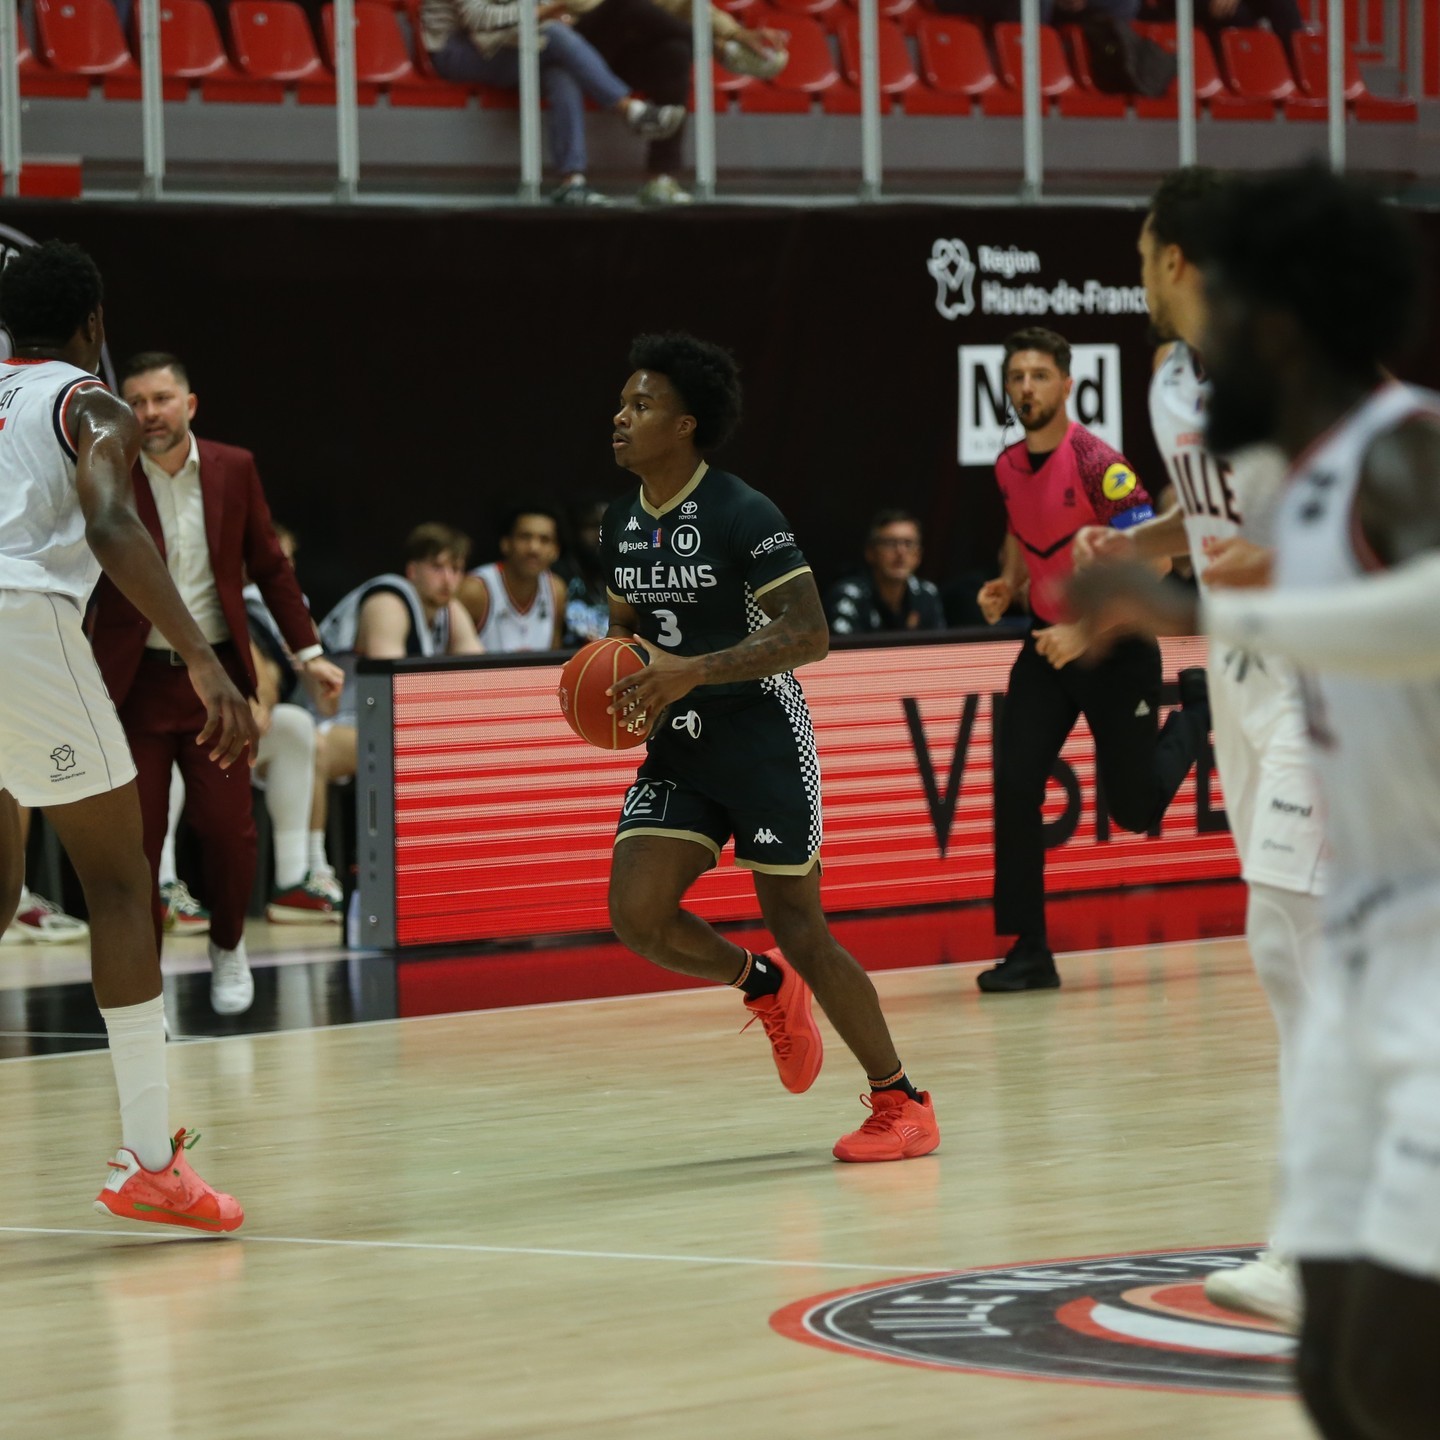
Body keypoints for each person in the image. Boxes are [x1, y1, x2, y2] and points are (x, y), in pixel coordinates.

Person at [1067, 164, 1440, 1440]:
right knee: (1336, 1378)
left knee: (1285, 918)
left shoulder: (1395, 442)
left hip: (1406, 902)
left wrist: (1228, 601)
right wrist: (1155, 567)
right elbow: (1243, 535)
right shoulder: (1227, 409)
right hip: (1301, 754)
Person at [1071, 167, 1324, 1332]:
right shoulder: (1175, 381)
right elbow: (1211, 507)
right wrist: (1141, 547)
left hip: (1331, 682)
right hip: (1241, 682)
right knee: (1293, 946)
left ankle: (1323, 1245)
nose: (1136, 278)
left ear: (1176, 260)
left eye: (1140, 256)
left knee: (1294, 941)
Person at [602, 332, 940, 1162]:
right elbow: (626, 631)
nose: (621, 416)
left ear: (685, 425)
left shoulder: (743, 513)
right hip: (680, 742)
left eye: (642, 405)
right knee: (637, 915)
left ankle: (903, 1102)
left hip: (761, 735)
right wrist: (618, 681)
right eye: (623, 402)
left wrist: (693, 670)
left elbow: (810, 633)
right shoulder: (619, 520)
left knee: (800, 925)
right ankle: (763, 985)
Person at [0, 239, 253, 1230]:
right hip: (22, 625)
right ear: (94, 324)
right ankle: (150, 1162)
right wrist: (201, 656)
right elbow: (111, 524)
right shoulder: (89, 403)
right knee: (117, 883)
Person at [94, 352, 344, 1016]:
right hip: (134, 684)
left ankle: (229, 946)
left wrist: (309, 653)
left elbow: (271, 566)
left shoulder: (234, 467)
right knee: (139, 842)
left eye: (161, 399)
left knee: (228, 831)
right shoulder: (108, 471)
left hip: (220, 687)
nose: (149, 413)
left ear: (190, 404)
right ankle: (143, 983)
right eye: (136, 402)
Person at [974, 325, 1210, 993]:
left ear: (1067, 385)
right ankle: (1030, 952)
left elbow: (1156, 564)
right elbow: (1022, 529)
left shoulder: (1099, 464)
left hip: (1116, 645)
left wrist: (1084, 631)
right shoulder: (1007, 465)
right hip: (1046, 646)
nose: (1026, 388)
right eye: (1016, 376)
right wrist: (1009, 584)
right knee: (1016, 784)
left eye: (1039, 376)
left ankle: (1198, 711)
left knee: (1133, 810)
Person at [418, 0, 686, 206]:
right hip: (453, 48)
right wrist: (541, 13)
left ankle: (573, 183)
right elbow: (478, 18)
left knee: (560, 69)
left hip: (493, 40)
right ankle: (630, 110)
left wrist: (551, 13)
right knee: (555, 37)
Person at [315, 524, 484, 842]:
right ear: (412, 570)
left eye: (456, 569)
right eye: (437, 567)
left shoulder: (450, 610)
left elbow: (481, 678)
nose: (448, 579)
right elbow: (390, 690)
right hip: (328, 719)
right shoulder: (388, 600)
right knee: (422, 749)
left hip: (371, 723)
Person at [458, 506, 567, 651]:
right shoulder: (475, 591)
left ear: (556, 550)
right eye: (525, 537)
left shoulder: (556, 591)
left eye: (544, 540)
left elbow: (554, 659)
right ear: (506, 543)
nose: (534, 548)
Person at [824, 509, 947, 637]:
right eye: (890, 543)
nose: (900, 552)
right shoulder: (849, 596)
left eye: (908, 543)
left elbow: (938, 646)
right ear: (871, 552)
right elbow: (844, 648)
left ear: (918, 555)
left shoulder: (927, 594)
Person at [558, 496, 611, 646]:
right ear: (575, 530)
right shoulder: (558, 576)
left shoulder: (625, 573)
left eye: (608, 526)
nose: (601, 534)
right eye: (594, 526)